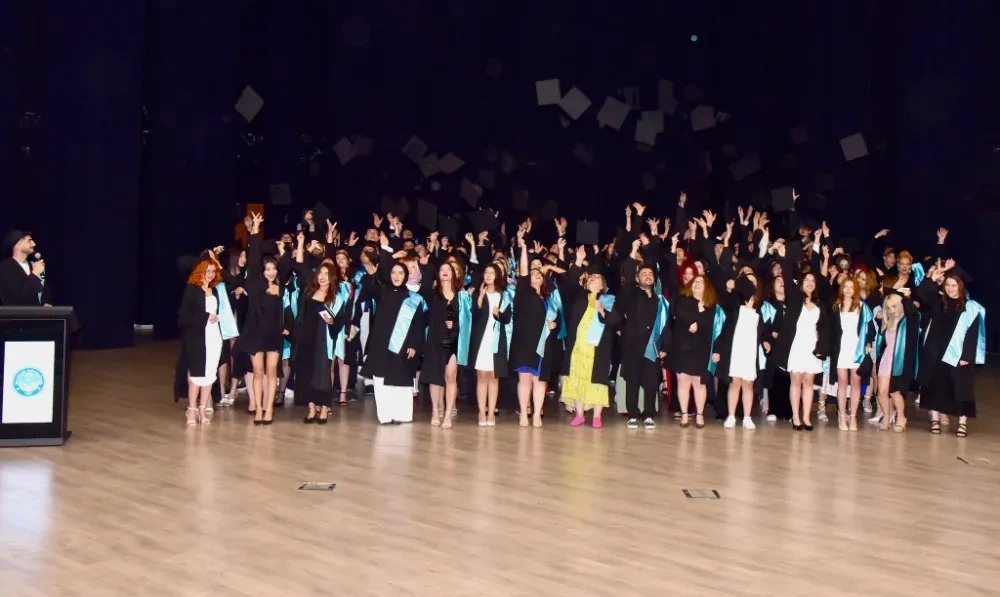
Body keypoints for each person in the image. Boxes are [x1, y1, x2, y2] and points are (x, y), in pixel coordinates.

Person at [916, 263, 984, 437]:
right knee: (935, 387)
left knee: (961, 388)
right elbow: (921, 294)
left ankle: (962, 423)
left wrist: (967, 355)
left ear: (960, 287)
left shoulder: (970, 307)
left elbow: (972, 333)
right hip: (936, 352)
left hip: (957, 353)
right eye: (947, 285)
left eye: (954, 285)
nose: (950, 288)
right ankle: (935, 420)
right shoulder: (938, 302)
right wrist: (931, 278)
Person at [611, 240, 671, 429]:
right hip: (632, 346)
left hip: (652, 348)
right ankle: (633, 415)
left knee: (651, 383)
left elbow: (666, 326)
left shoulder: (661, 302)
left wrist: (665, 346)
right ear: (637, 279)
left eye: (650, 274)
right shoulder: (630, 294)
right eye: (643, 274)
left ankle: (648, 414)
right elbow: (616, 312)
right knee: (633, 382)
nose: (648, 276)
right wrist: (634, 251)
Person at [559, 246, 617, 428]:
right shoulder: (578, 297)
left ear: (602, 285)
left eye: (597, 277)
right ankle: (579, 414)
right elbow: (570, 281)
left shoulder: (609, 300)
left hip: (598, 348)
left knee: (598, 379)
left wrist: (602, 310)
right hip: (578, 346)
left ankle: (597, 416)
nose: (592, 278)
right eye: (590, 277)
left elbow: (616, 322)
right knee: (577, 377)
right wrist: (577, 260)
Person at [178, 258, 224, 425]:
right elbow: (185, 316)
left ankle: (203, 409)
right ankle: (191, 409)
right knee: (197, 374)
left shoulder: (215, 290)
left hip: (214, 336)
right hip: (197, 337)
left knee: (210, 374)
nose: (210, 274)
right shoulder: (192, 289)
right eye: (207, 271)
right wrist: (206, 317)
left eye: (213, 271)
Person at [468, 263, 512, 427]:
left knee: (494, 377)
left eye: (491, 273)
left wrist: (498, 314)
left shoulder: (504, 296)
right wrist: (480, 297)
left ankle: (492, 412)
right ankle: (481, 412)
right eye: (486, 272)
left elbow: (507, 318)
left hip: (497, 340)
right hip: (481, 340)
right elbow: (473, 315)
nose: (488, 275)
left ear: (498, 275)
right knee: (481, 376)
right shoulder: (478, 293)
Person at [0, 230, 49, 306]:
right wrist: (34, 273)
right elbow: (17, 295)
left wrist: (45, 302)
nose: (34, 244)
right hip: (16, 313)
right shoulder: (6, 267)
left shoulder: (32, 265)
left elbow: (41, 290)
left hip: (36, 312)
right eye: (29, 241)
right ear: (17, 243)